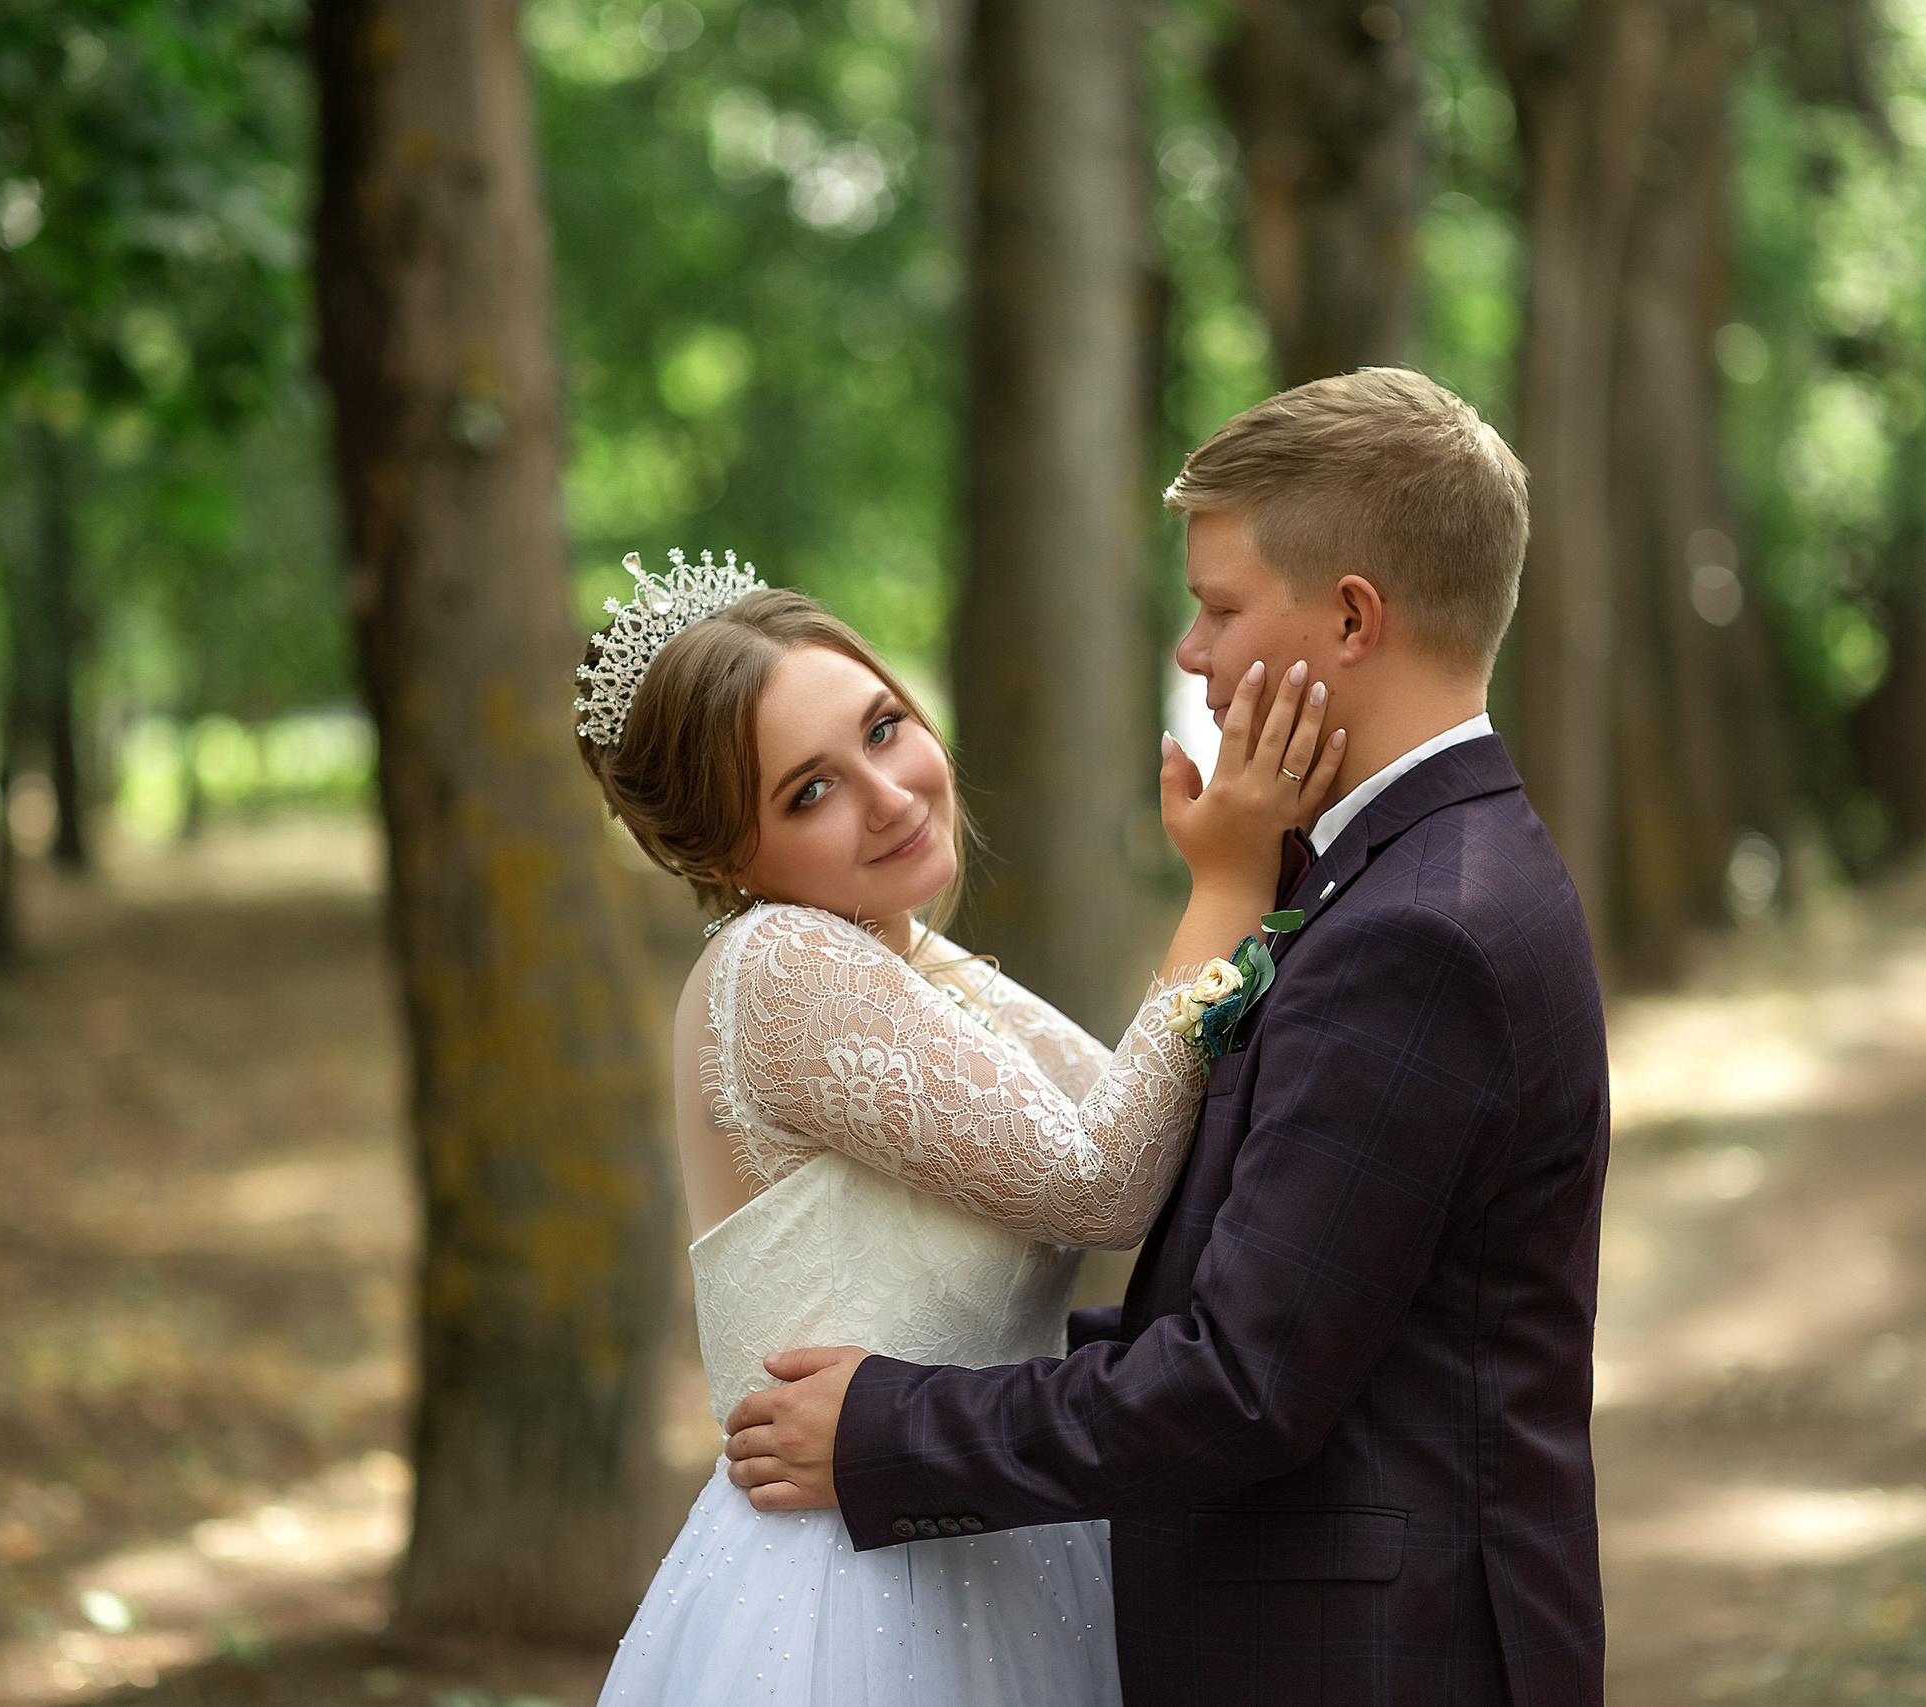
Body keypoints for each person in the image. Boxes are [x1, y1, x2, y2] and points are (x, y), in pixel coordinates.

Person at [725, 368, 1612, 1707]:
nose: (1192, 652)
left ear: (1352, 617)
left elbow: (1240, 1383)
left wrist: (890, 1426)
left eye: (1220, 607)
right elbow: (1267, 1288)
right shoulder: (1406, 872)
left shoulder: (1417, 930)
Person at [572, 549, 1346, 1706]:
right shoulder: (779, 962)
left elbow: (1148, 1120)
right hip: (852, 1597)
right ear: (725, 855)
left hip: (987, 1527)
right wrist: (1226, 888)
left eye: (883, 729)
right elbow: (1101, 1185)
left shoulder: (914, 959)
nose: (889, 796)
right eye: (809, 792)